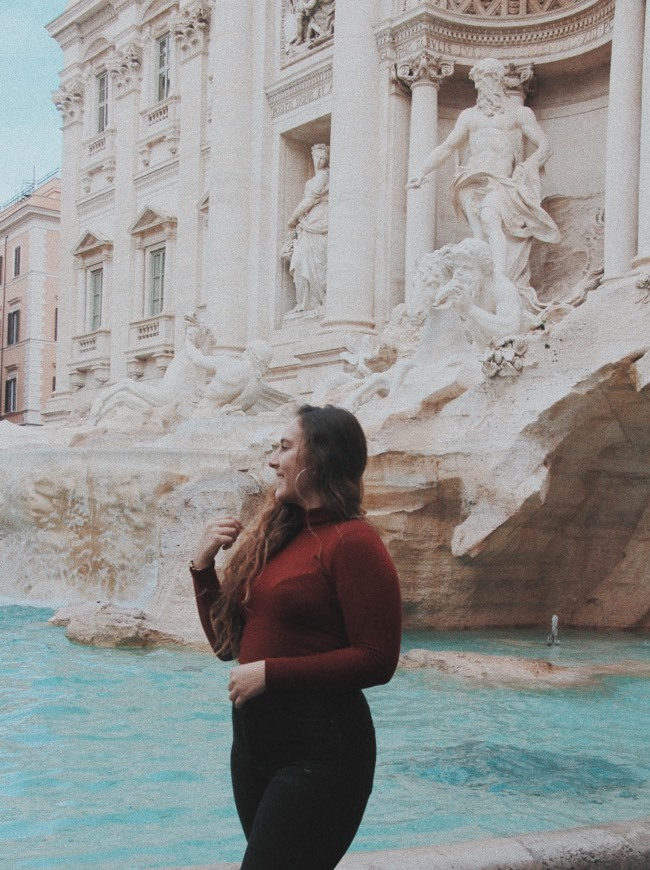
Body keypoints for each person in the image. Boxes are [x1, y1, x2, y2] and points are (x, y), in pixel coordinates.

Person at [190, 404, 402, 870]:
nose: (273, 460)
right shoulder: (279, 535)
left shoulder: (353, 541)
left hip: (321, 750)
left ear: (319, 458)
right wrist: (203, 569)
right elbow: (227, 647)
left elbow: (378, 659)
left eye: (285, 447)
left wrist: (271, 674)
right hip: (254, 748)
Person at [407, 57, 560, 304]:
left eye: (490, 78)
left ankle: (499, 278)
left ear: (499, 81)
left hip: (501, 181)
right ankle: (480, 285)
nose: (484, 85)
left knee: (490, 217)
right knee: (479, 232)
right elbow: (447, 147)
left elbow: (544, 145)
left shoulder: (518, 113)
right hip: (470, 179)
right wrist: (422, 171)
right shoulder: (469, 117)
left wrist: (529, 165)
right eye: (480, 80)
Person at [281, 143, 330, 312]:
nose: (319, 160)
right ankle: (303, 302)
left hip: (319, 220)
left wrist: (293, 219)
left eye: (323, 157)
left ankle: (316, 301)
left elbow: (309, 200)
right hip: (308, 224)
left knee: (318, 261)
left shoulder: (324, 176)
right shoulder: (312, 180)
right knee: (301, 259)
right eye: (316, 156)